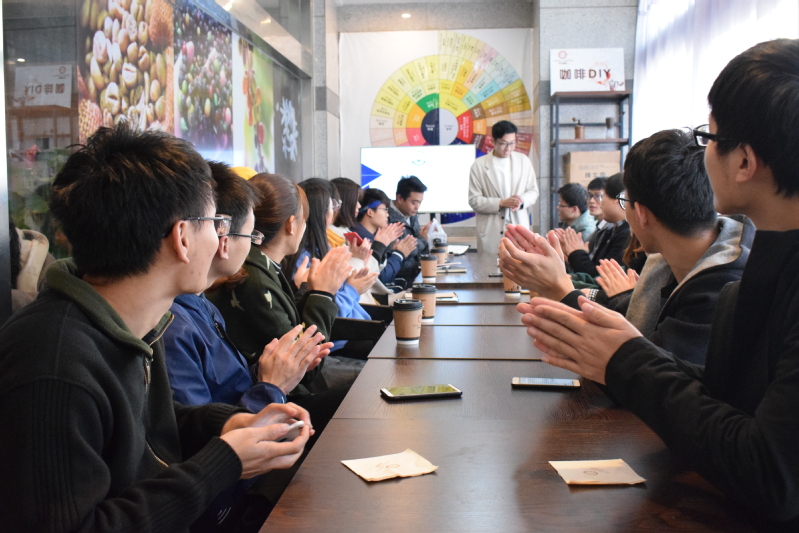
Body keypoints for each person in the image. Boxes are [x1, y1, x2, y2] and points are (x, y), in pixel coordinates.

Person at [516, 39, 799, 523]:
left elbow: (773, 473)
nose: (704, 157)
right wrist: (622, 350)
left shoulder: (743, 273)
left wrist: (626, 359)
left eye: (709, 139)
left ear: (745, 161)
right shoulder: (768, 261)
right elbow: (727, 401)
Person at [0, 125, 312, 531]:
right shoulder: (54, 364)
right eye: (214, 222)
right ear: (182, 237)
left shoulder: (136, 321)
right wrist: (224, 462)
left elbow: (142, 426)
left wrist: (225, 423)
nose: (221, 239)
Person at [501, 128, 753, 364]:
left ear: (640, 213)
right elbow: (626, 312)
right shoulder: (667, 261)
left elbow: (649, 371)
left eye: (624, 200)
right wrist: (563, 283)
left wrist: (559, 287)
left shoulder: (721, 287)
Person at [164, 162, 332, 412]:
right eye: (251, 235)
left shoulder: (200, 304)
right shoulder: (174, 326)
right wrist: (271, 385)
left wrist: (266, 371)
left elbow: (230, 384)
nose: (253, 247)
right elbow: (207, 429)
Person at [206, 173, 354, 384]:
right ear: (291, 224)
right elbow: (305, 369)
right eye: (304, 220)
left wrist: (306, 291)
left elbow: (286, 325)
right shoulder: (255, 279)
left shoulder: (260, 265)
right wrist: (322, 294)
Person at [468, 120, 539, 254]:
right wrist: (501, 203)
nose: (508, 148)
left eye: (512, 143)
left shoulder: (523, 161)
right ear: (493, 141)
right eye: (503, 143)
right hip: (491, 230)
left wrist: (521, 200)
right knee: (490, 264)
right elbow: (474, 200)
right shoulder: (479, 165)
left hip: (518, 225)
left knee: (520, 262)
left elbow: (533, 191)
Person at [559, 172, 630, 278]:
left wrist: (576, 253)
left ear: (618, 200)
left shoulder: (626, 234)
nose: (597, 202)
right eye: (590, 196)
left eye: (602, 196)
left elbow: (599, 276)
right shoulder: (612, 229)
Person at [354, 187, 417, 287]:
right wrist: (399, 254)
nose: (388, 215)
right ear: (370, 212)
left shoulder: (371, 235)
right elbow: (381, 278)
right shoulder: (362, 239)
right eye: (385, 210)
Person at [388, 175, 431, 281]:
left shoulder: (411, 213)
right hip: (399, 277)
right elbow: (406, 250)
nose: (417, 207)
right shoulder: (387, 217)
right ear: (400, 198)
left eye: (420, 202)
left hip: (415, 273)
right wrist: (423, 239)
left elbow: (417, 244)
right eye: (414, 203)